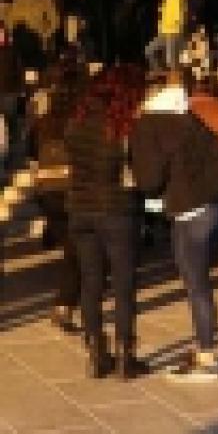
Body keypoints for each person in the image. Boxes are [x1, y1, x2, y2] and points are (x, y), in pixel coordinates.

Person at [130, 75, 218, 382]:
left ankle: (207, 358)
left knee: (195, 284)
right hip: (215, 204)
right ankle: (202, 347)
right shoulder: (189, 120)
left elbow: (149, 179)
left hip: (189, 209)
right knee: (200, 282)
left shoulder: (149, 125)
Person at [66, 72, 147, 379]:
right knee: (124, 284)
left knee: (91, 282)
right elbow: (133, 170)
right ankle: (126, 354)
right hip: (116, 210)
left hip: (80, 209)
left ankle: (96, 353)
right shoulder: (122, 127)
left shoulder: (74, 125)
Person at [31, 65, 81, 334]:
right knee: (75, 251)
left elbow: (31, 155)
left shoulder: (43, 123)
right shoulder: (78, 122)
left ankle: (66, 303)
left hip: (47, 191)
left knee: (71, 247)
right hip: (72, 189)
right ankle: (64, 305)